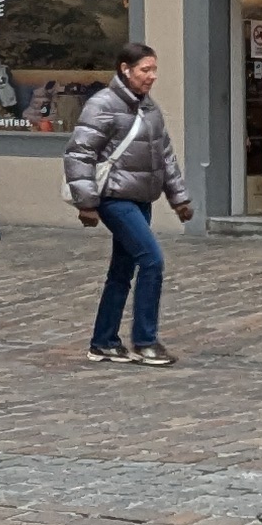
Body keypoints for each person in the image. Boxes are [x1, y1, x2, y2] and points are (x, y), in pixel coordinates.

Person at [63, 41, 195, 365]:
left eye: (154, 69)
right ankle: (145, 341)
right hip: (114, 198)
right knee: (152, 260)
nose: (151, 76)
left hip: (140, 199)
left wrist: (179, 198)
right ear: (125, 69)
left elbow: (165, 156)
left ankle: (104, 341)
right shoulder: (103, 105)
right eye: (144, 70)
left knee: (122, 270)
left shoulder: (149, 108)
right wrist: (87, 203)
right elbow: (80, 153)